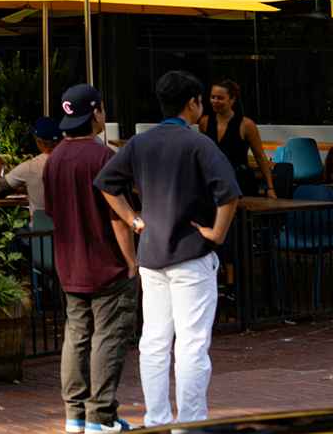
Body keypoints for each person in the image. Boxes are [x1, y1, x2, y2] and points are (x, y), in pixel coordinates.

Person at [96, 69, 241, 428]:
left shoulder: (139, 143)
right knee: (191, 344)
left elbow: (106, 184)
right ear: (192, 104)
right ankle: (189, 423)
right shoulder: (199, 143)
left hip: (151, 254)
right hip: (191, 254)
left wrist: (133, 219)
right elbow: (230, 194)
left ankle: (156, 419)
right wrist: (218, 234)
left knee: (154, 342)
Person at [45, 84, 140, 434]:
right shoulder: (103, 157)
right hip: (107, 264)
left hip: (69, 264)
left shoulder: (54, 158)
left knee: (77, 336)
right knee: (108, 338)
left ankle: (74, 416)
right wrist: (130, 261)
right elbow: (118, 215)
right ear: (97, 112)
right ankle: (101, 417)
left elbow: (53, 211)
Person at [198, 78, 276, 199]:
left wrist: (270, 187)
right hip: (214, 180)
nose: (215, 101)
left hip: (240, 181)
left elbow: (260, 156)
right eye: (212, 97)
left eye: (220, 98)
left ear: (232, 99)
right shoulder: (205, 122)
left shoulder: (246, 125)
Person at [0, 116, 61, 215]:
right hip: (74, 226)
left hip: (42, 226)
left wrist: (25, 188)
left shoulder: (30, 167)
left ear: (39, 142)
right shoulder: (76, 161)